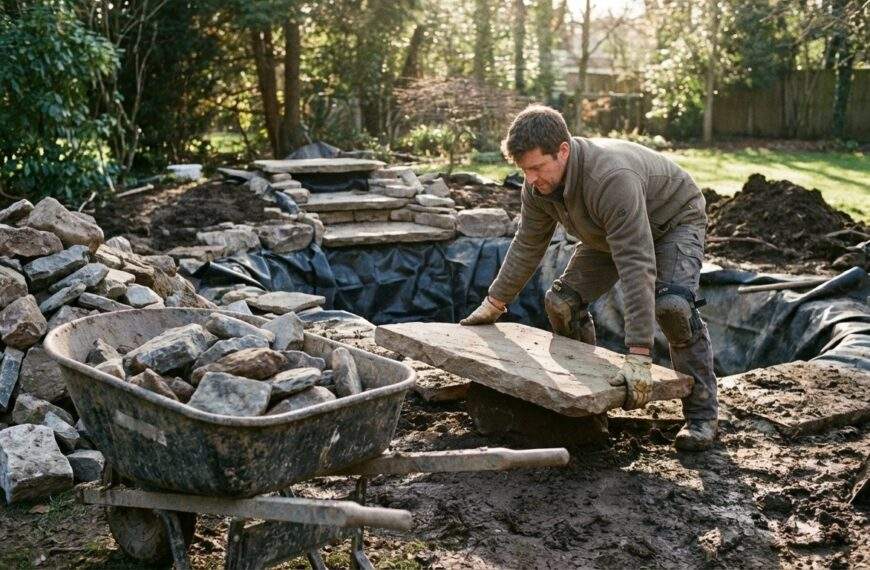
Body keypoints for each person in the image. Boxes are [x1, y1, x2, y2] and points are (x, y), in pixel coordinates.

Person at [460, 105, 718, 451]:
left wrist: (639, 354)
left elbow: (636, 263)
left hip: (672, 222)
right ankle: (586, 405)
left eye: (537, 167)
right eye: (525, 170)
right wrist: (494, 302)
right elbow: (527, 244)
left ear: (563, 150)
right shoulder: (536, 186)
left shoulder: (610, 179)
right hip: (607, 232)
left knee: (673, 308)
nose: (531, 178)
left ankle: (702, 417)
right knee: (562, 303)